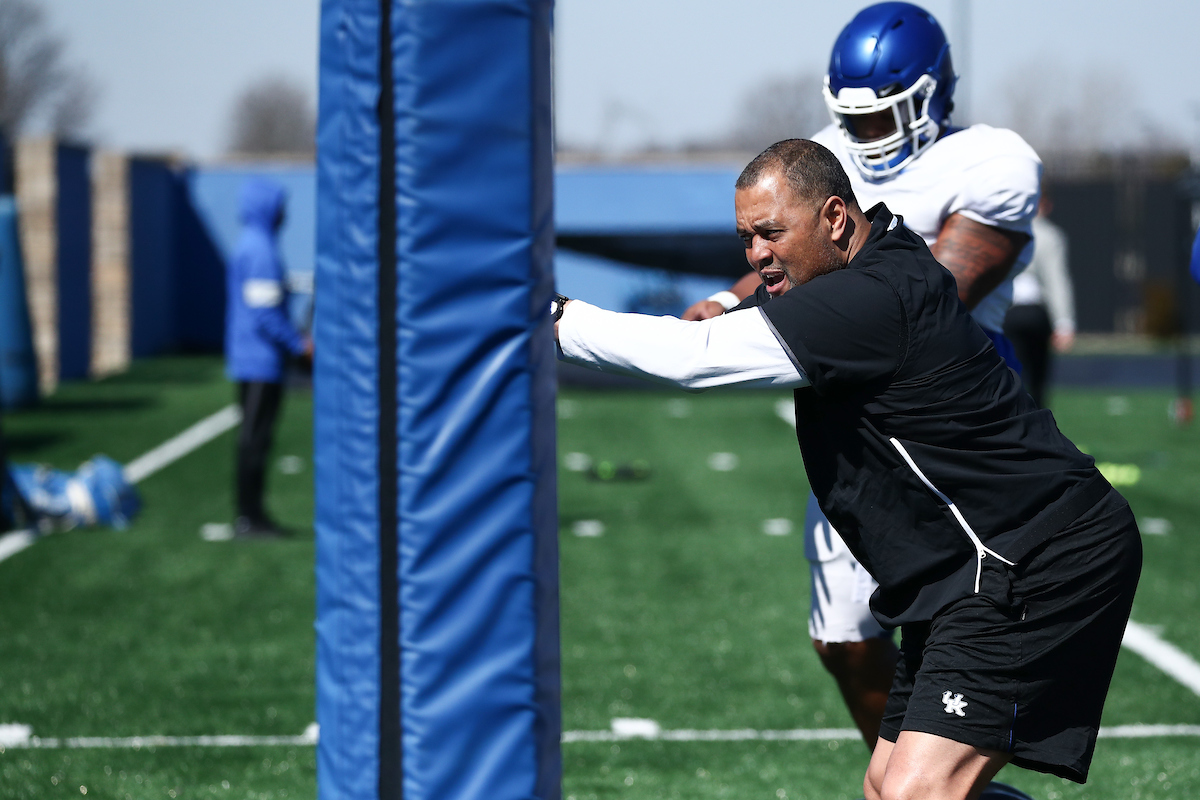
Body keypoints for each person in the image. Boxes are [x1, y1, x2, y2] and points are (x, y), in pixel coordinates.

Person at [555, 138, 1140, 800]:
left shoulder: (870, 300)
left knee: (920, 793)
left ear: (835, 219)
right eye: (746, 238)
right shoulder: (874, 262)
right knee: (889, 788)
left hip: (1034, 561)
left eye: (771, 233)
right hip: (967, 573)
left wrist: (554, 317)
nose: (756, 255)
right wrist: (728, 300)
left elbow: (694, 359)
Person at [683, 1, 1042, 750]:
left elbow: (922, 304)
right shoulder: (826, 155)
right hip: (854, 428)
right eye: (854, 120)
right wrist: (727, 301)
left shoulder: (990, 161)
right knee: (842, 637)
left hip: (947, 429)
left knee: (951, 621)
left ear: (929, 96)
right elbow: (786, 261)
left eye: (881, 120)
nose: (864, 137)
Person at [225, 177, 312, 539]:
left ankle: (252, 514)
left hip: (251, 357)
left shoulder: (252, 244)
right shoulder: (260, 249)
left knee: (254, 438)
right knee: (254, 440)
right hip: (260, 361)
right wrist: (298, 343)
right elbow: (265, 312)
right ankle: (251, 517)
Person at [1005, 193, 1076, 408]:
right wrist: (1064, 322)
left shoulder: (1003, 229)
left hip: (1005, 311)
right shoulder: (1049, 234)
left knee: (1008, 374)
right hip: (1035, 311)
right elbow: (1056, 279)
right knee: (1038, 377)